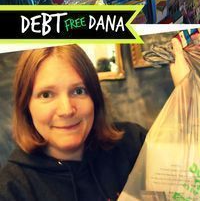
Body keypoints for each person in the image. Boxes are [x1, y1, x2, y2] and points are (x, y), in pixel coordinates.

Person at [0, 45, 147, 201]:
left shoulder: (133, 143)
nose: (67, 110)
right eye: (46, 94)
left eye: (78, 91)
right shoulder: (11, 190)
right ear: (26, 106)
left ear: (94, 98)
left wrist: (177, 90)